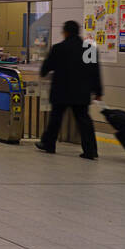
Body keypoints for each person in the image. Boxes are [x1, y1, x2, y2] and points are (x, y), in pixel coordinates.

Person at [35, 20, 102, 160]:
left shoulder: (58, 48)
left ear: (65, 32)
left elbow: (46, 67)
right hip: (81, 92)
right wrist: (98, 92)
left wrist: (43, 72)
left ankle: (48, 144)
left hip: (61, 91)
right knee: (84, 121)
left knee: (56, 119)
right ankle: (91, 151)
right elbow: (95, 72)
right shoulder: (89, 49)